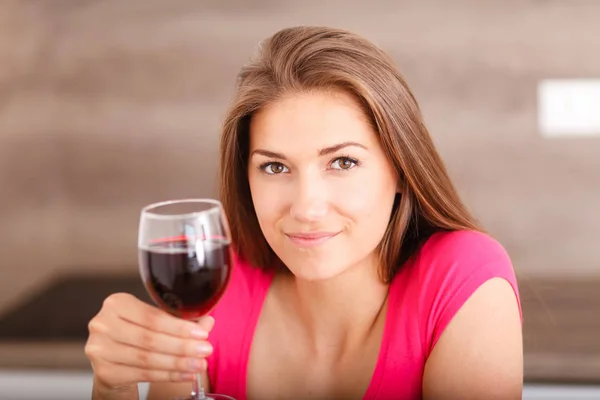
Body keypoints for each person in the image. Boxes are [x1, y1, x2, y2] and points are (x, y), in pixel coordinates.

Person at [85, 26, 523, 400]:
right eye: (275, 167)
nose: (307, 208)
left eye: (343, 162)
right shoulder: (217, 281)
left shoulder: (461, 278)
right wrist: (113, 390)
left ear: (402, 170)